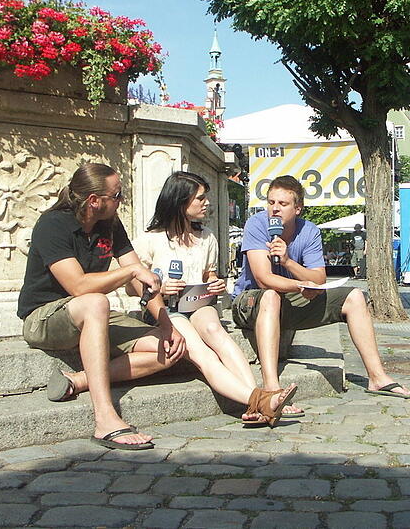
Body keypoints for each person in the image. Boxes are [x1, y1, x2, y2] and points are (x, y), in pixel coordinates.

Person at [18, 163, 179, 450]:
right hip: (44, 317)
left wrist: (166, 325)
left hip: (92, 316)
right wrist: (130, 273)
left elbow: (142, 277)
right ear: (95, 201)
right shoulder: (53, 225)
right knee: (95, 301)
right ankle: (104, 419)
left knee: (170, 349)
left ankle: (78, 381)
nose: (121, 201)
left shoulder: (110, 224)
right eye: (117, 195)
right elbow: (78, 287)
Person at [231, 175, 410, 411]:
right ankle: (271, 389)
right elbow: (264, 280)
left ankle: (377, 377)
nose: (274, 209)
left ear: (297, 208)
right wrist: (301, 285)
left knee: (355, 296)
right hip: (251, 301)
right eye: (271, 202)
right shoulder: (256, 224)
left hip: (291, 301)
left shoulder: (309, 231)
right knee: (271, 295)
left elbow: (319, 278)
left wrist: (288, 263)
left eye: (282, 204)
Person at [133, 171, 297, 426]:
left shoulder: (207, 237)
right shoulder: (150, 239)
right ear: (180, 202)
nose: (206, 203)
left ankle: (258, 398)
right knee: (198, 349)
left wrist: (214, 282)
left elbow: (209, 274)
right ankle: (258, 400)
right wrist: (160, 288)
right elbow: (132, 287)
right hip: (165, 309)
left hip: (198, 303)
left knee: (216, 332)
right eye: (200, 198)